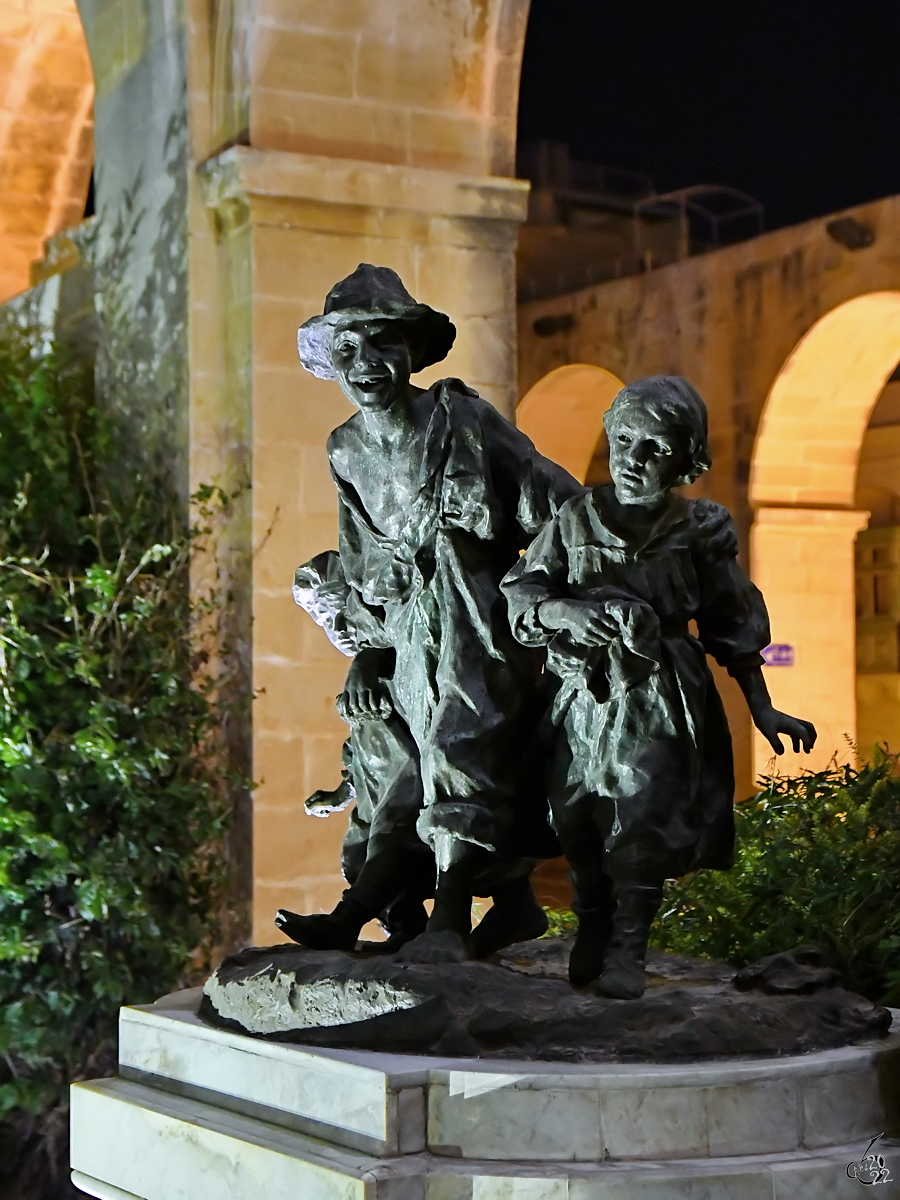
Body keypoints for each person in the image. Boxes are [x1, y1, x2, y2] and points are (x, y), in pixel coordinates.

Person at [278, 264, 583, 959]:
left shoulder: (460, 419)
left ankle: (448, 918)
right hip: (413, 636)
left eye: (382, 343)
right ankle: (509, 906)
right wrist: (367, 651)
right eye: (348, 350)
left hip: (481, 626)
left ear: (411, 350)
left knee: (460, 747)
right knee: (419, 764)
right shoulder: (344, 452)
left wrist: (555, 590)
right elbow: (361, 569)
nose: (367, 365)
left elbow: (553, 502)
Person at [502, 376, 816, 997]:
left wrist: (764, 707)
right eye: (623, 439)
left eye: (655, 448)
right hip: (582, 698)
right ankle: (593, 917)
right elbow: (524, 590)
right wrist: (568, 614)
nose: (634, 458)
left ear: (685, 460)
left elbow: (732, 620)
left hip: (662, 698)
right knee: (575, 816)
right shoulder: (574, 517)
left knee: (642, 818)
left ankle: (629, 949)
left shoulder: (698, 529)